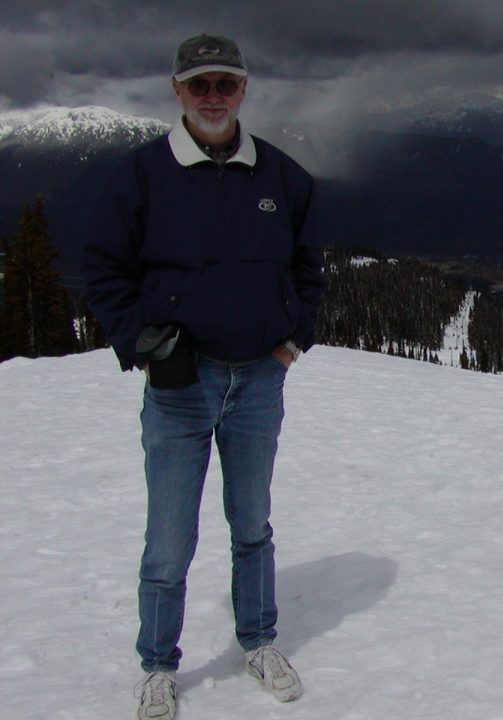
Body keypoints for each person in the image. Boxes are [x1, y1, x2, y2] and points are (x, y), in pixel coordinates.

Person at [82, 33, 325, 720]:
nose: (213, 96)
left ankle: (258, 641)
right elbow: (103, 269)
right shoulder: (141, 176)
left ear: (244, 89)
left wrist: (291, 343)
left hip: (258, 380)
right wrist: (141, 344)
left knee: (252, 524)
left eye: (225, 83)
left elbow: (309, 272)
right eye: (199, 85)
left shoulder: (283, 178)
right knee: (169, 540)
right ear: (177, 91)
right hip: (179, 386)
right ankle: (158, 665)